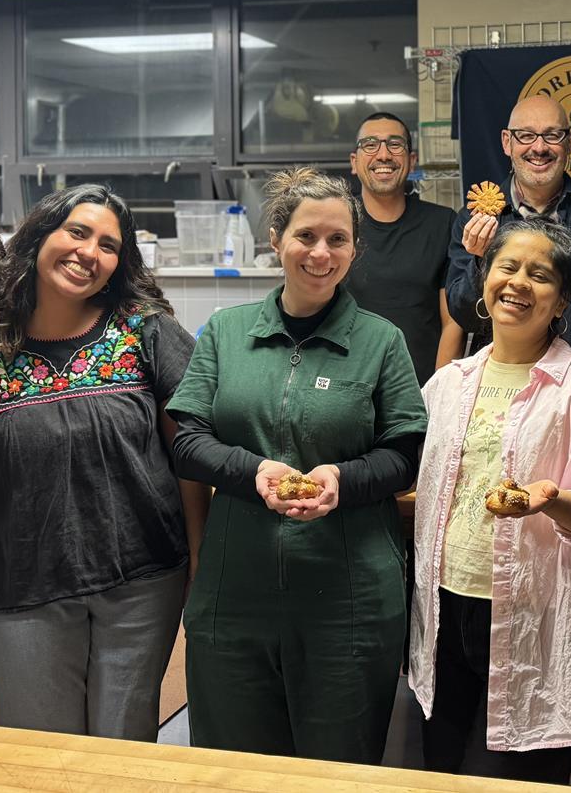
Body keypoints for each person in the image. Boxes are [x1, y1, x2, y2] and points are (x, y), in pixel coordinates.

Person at [0, 185, 202, 742]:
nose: (89, 252)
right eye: (77, 232)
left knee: (124, 750)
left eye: (109, 245)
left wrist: (199, 557)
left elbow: (189, 456)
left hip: (143, 580)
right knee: (38, 754)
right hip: (21, 582)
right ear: (41, 235)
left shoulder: (144, 332)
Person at [168, 166, 427, 764]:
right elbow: (187, 440)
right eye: (306, 236)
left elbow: (405, 453)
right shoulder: (226, 333)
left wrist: (342, 479)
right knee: (234, 763)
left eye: (338, 239)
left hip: (348, 597)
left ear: (354, 250)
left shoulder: (381, 341)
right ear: (276, 240)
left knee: (337, 766)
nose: (321, 253)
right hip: (236, 589)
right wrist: (253, 472)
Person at [410, 219, 571, 784]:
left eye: (539, 275)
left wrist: (554, 502)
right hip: (444, 612)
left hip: (532, 616)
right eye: (507, 267)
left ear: (560, 301)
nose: (518, 283)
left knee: (516, 780)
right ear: (485, 279)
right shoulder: (447, 384)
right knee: (441, 774)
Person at [445, 95, 571, 390]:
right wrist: (480, 261)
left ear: (570, 141)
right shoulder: (475, 219)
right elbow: (464, 317)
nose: (539, 147)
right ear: (507, 142)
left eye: (552, 135)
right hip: (499, 391)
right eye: (526, 135)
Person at [345, 111, 463, 384]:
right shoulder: (336, 225)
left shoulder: (442, 223)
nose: (383, 155)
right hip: (347, 390)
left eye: (395, 144)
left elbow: (452, 322)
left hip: (421, 390)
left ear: (412, 161)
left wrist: (437, 391)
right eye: (370, 144)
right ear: (354, 162)